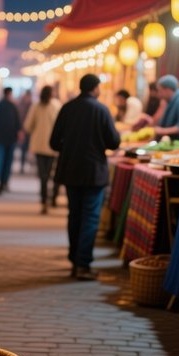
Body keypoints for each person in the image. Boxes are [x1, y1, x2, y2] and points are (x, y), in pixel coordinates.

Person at [50, 73, 120, 280]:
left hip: (71, 170)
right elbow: (114, 142)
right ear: (95, 88)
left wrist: (70, 147)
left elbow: (54, 143)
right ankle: (83, 264)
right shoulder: (101, 110)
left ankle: (74, 260)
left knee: (75, 215)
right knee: (90, 217)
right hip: (93, 172)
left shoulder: (67, 108)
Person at [23, 85, 62, 213]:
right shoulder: (56, 106)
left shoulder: (35, 106)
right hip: (52, 146)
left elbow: (28, 125)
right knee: (52, 172)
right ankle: (53, 197)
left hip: (38, 145)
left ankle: (44, 199)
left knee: (43, 175)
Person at [139, 75, 179, 140]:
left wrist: (162, 131)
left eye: (160, 90)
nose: (158, 94)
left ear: (167, 89)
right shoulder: (170, 101)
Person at [0, 86, 21, 195]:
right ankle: (4, 181)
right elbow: (18, 123)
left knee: (1, 160)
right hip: (11, 138)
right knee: (7, 161)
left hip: (0, 138)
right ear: (10, 93)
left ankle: (1, 182)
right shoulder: (13, 106)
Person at [17, 91, 34, 173]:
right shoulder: (22, 105)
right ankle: (22, 166)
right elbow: (20, 118)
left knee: (29, 149)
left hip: (30, 132)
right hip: (24, 131)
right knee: (23, 149)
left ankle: (29, 165)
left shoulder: (32, 105)